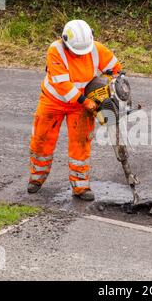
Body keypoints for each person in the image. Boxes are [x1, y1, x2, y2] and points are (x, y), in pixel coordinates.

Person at [27, 19, 122, 201]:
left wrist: (112, 91)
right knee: (42, 139)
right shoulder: (55, 51)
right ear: (65, 41)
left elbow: (117, 70)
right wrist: (87, 103)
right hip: (53, 101)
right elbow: (63, 84)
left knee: (81, 144)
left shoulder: (96, 49)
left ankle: (81, 187)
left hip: (82, 104)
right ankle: (36, 178)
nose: (80, 55)